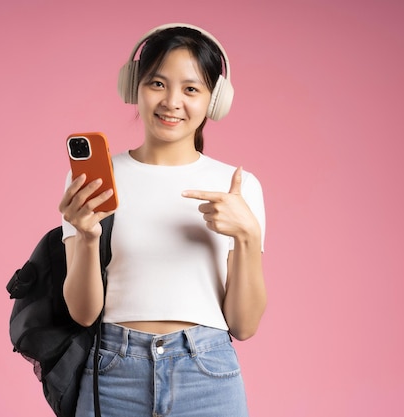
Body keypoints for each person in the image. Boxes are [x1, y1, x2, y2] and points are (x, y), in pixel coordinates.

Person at [58, 23, 267, 417]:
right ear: (133, 87)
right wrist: (87, 238)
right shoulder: (93, 180)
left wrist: (246, 235)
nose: (172, 101)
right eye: (157, 83)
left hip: (206, 375)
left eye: (191, 89)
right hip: (113, 371)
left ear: (214, 100)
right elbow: (83, 314)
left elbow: (244, 325)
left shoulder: (237, 187)